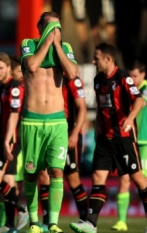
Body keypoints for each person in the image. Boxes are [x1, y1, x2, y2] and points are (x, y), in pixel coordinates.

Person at [70, 42, 147, 233]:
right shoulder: (97, 80)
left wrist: (130, 117)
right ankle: (91, 223)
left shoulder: (123, 78)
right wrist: (97, 130)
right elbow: (102, 108)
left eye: (96, 58)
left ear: (108, 59)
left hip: (124, 138)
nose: (93, 61)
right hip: (104, 140)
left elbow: (140, 100)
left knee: (138, 179)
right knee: (97, 177)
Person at [19, 11, 78, 233]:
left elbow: (72, 73)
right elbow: (32, 66)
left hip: (57, 122)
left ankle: (52, 223)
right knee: (32, 173)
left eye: (58, 28)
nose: (56, 32)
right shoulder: (29, 45)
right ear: (40, 28)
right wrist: (47, 42)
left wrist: (58, 46)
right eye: (50, 28)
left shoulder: (66, 49)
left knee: (56, 172)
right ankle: (34, 222)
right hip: (32, 121)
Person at [111, 60, 147, 232]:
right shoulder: (128, 87)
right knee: (124, 180)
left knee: (145, 181)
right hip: (128, 138)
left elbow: (139, 104)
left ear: (143, 75)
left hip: (145, 140)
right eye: (130, 75)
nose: (131, 78)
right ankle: (121, 221)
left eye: (135, 75)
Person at [38, 75, 88, 231]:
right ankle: (47, 222)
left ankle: (86, 220)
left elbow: (82, 108)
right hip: (48, 132)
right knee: (44, 175)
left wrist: (74, 133)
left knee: (72, 178)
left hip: (68, 134)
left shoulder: (73, 81)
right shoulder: (47, 78)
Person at [0, 52, 28, 233]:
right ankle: (11, 226)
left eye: (1, 68)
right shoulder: (0, 90)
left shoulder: (15, 87)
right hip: (2, 138)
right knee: (8, 182)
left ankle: (21, 209)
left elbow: (13, 116)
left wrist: (6, 141)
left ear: (9, 68)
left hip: (11, 140)